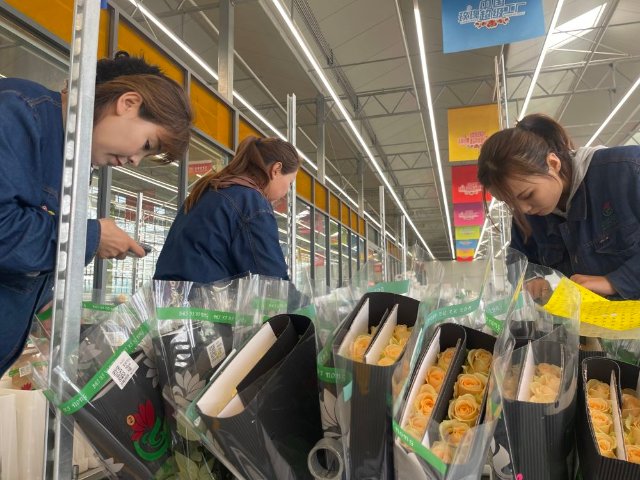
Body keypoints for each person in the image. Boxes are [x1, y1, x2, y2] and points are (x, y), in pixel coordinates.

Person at [0, 52, 193, 375]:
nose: (135, 161)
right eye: (147, 144)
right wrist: (90, 237)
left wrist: (44, 304)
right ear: (128, 103)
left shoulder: (70, 162)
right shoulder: (17, 113)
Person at [477, 113, 640, 300]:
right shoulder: (528, 217)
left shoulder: (629, 170)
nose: (523, 210)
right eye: (511, 203)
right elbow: (518, 266)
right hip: (588, 317)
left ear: (553, 163)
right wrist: (532, 280)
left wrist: (613, 282)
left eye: (528, 195)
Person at [154, 136, 299, 283]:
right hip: (202, 296)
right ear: (276, 169)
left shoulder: (206, 190)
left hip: (166, 293)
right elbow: (271, 280)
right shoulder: (251, 202)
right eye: (290, 183)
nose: (287, 191)